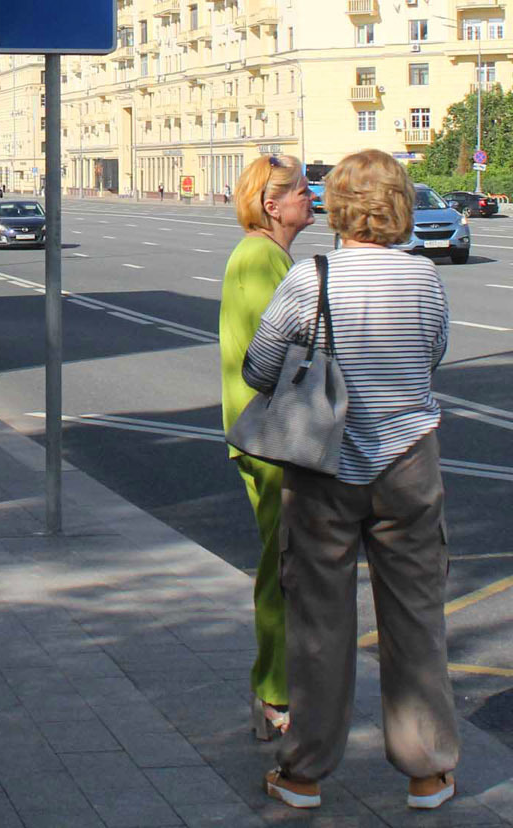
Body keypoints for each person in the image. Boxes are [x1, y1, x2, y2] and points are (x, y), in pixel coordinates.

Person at [247, 150, 458, 814]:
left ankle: (304, 773)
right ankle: (427, 773)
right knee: (416, 618)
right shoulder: (425, 278)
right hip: (409, 460)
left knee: (319, 622)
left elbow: (259, 369)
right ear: (399, 204)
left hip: (322, 464)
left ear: (335, 205)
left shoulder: (310, 278)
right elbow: (433, 355)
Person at [220, 154, 315, 742]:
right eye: (302, 189)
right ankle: (275, 693)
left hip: (264, 431)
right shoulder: (260, 257)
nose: (312, 196)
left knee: (282, 562)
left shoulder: (270, 254)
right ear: (270, 204)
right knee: (284, 567)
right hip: (272, 434)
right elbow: (274, 353)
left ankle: (277, 687)